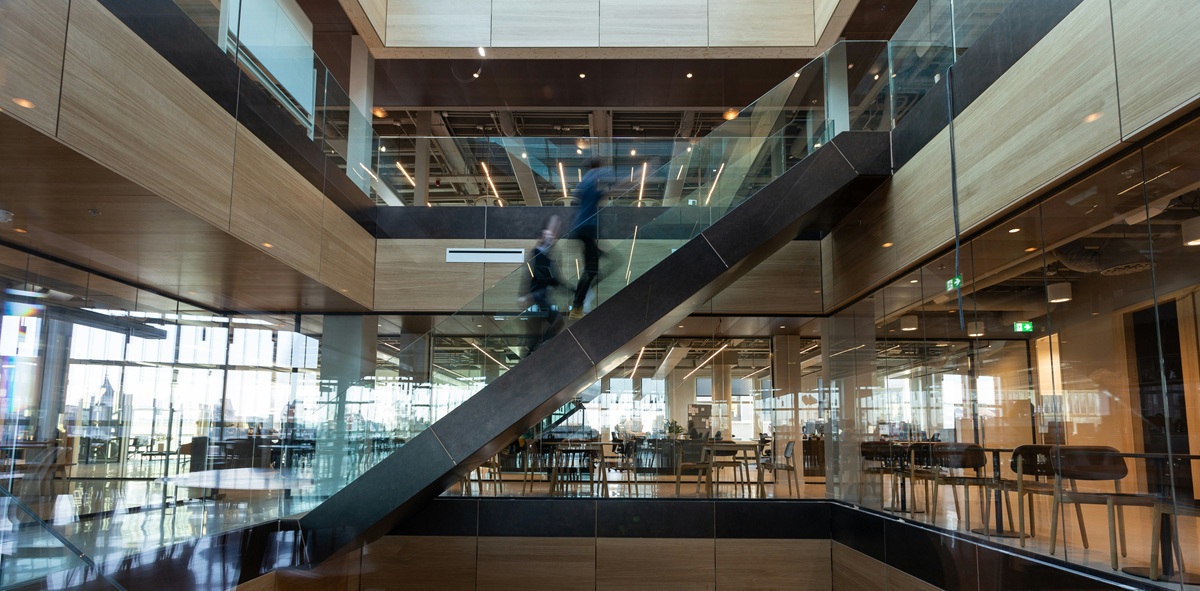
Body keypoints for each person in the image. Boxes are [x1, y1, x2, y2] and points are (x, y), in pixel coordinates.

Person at [568, 156, 612, 319]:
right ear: (598, 166)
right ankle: (577, 305)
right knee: (591, 270)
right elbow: (613, 187)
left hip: (581, 229)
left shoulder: (584, 181)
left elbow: (577, 200)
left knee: (592, 267)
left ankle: (578, 302)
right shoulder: (596, 176)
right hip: (587, 228)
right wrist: (639, 174)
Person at [519, 216, 564, 352]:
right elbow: (529, 276)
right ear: (542, 237)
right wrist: (523, 295)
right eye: (547, 235)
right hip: (536, 298)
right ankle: (543, 346)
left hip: (541, 298)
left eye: (552, 236)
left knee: (535, 335)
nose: (550, 238)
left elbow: (554, 280)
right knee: (557, 321)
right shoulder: (537, 253)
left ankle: (535, 351)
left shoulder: (549, 256)